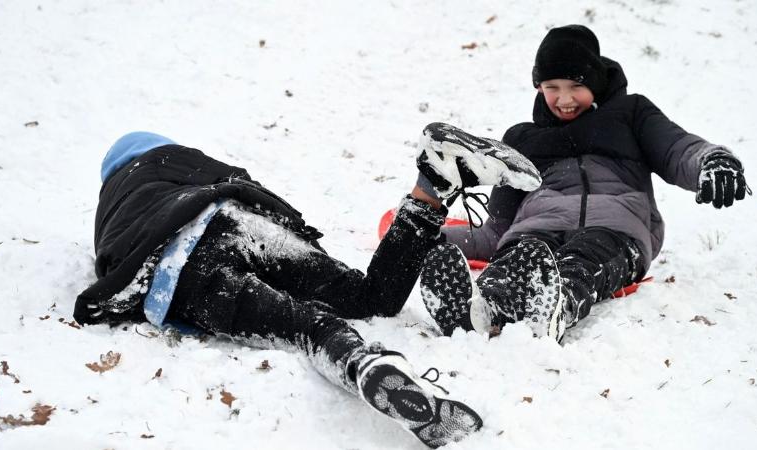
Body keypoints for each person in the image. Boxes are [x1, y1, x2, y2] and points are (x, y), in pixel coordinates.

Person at [74, 126, 540, 448]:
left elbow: (114, 263)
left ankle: (365, 364)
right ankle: (432, 184)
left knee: (306, 326)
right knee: (366, 296)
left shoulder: (114, 202)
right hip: (243, 223)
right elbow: (243, 185)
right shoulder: (183, 161)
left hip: (184, 267)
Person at [415, 24, 750, 343]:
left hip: (614, 228)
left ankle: (556, 307)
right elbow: (497, 230)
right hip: (536, 228)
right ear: (539, 87)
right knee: (518, 257)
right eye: (552, 87)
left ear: (596, 81)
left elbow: (677, 149)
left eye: (576, 86)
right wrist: (427, 237)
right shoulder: (521, 139)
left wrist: (713, 160)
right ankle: (482, 309)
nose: (565, 99)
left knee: (583, 260)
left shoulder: (630, 114)